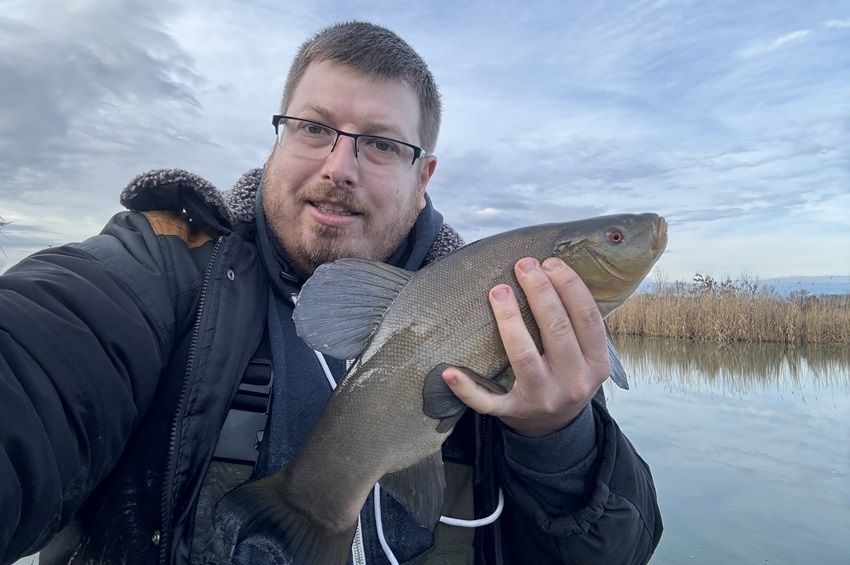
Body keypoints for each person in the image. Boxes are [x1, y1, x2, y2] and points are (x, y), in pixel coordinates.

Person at [0, 21, 662, 565]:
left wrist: (559, 437)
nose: (338, 167)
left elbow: (623, 547)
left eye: (378, 143)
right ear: (279, 136)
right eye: (313, 127)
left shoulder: (511, 312)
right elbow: (37, 359)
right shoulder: (163, 268)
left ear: (423, 173)